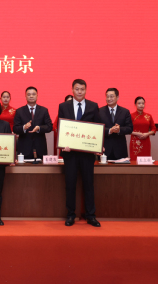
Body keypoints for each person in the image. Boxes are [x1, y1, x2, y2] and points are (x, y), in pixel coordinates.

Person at [58, 79, 101, 227]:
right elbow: (61, 126)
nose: (80, 92)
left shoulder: (93, 106)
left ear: (86, 90)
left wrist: (99, 145)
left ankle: (91, 216)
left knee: (88, 184)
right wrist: (63, 144)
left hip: (87, 154)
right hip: (70, 153)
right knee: (70, 184)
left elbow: (97, 127)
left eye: (82, 89)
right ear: (72, 90)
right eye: (77, 89)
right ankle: (71, 215)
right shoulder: (63, 106)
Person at [12, 86, 53, 160]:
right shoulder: (19, 111)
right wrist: (24, 127)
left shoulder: (44, 110)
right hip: (24, 149)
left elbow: (49, 126)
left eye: (33, 94)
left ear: (37, 96)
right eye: (29, 94)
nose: (31, 96)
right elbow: (15, 128)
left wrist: (39, 128)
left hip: (40, 148)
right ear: (25, 96)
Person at [99, 88, 133, 161]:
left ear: (117, 97)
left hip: (120, 149)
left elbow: (130, 128)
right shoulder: (99, 111)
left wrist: (119, 130)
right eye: (107, 96)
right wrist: (110, 130)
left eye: (111, 96)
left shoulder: (125, 112)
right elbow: (97, 129)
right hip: (105, 149)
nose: (109, 99)